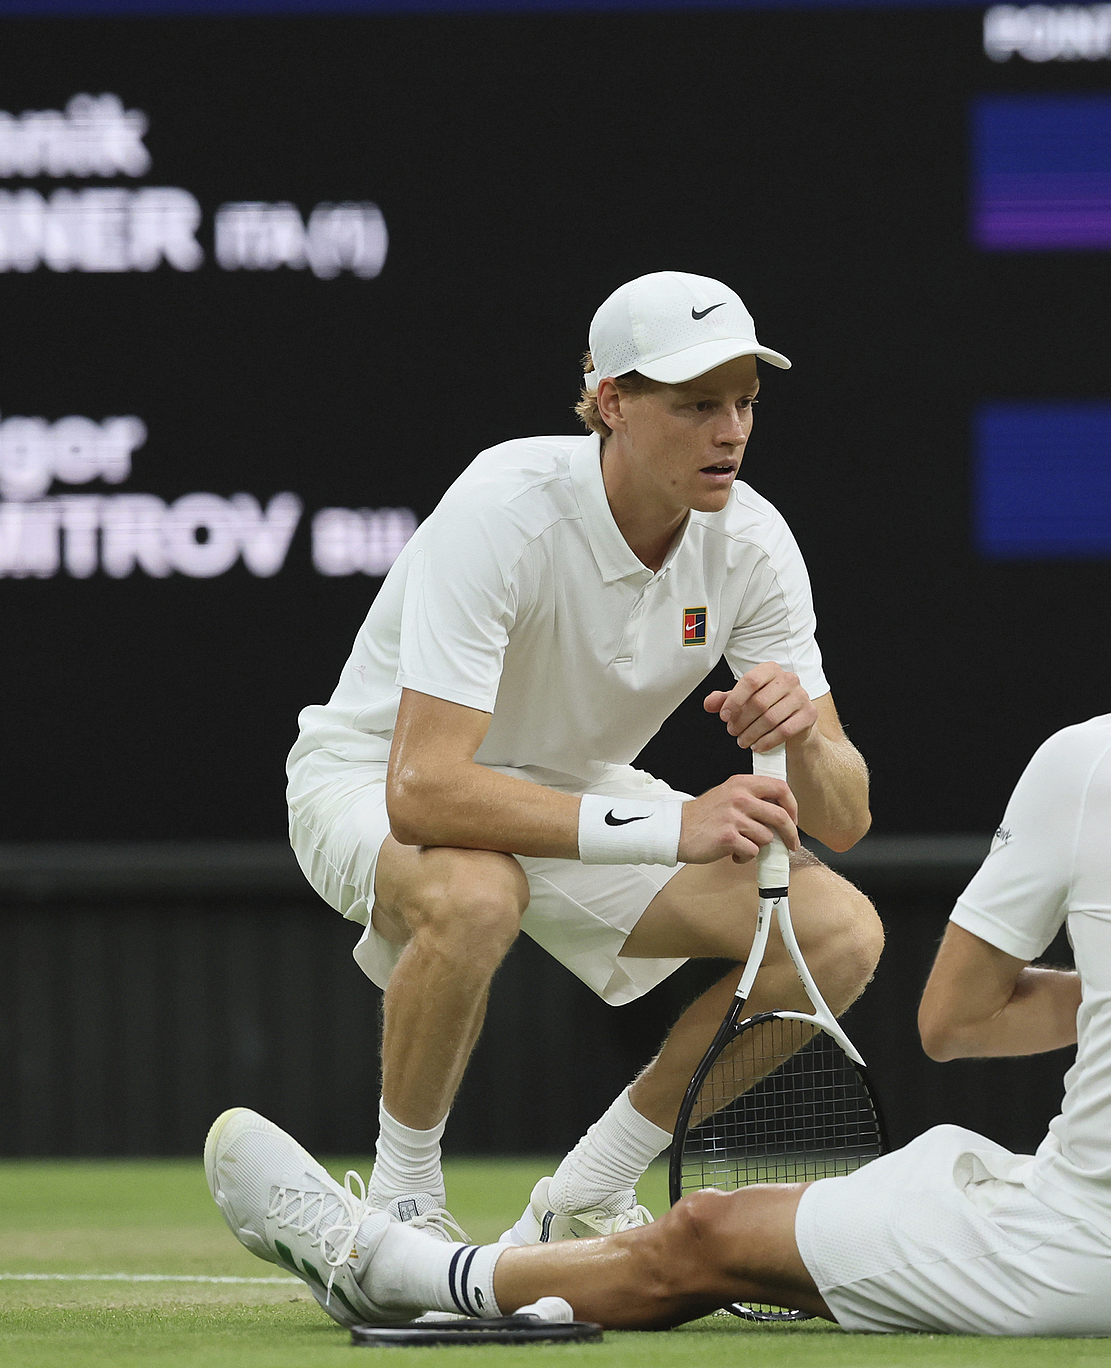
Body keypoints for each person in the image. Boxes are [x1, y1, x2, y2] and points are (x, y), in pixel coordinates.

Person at [209, 508, 1111, 1337]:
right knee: (934, 1175)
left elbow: (953, 1022)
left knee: (704, 1238)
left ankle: (401, 1266)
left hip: (1101, 1263)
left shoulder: (1089, 761)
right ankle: (551, 1209)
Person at [259, 271, 881, 1296]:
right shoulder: (504, 506)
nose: (728, 431)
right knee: (473, 888)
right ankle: (400, 1209)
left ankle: (584, 1193)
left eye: (743, 403)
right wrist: (669, 824)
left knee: (840, 935)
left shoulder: (755, 543)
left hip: (568, 791)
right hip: (368, 779)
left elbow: (845, 817)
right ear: (609, 402)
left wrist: (801, 731)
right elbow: (424, 793)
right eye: (693, 405)